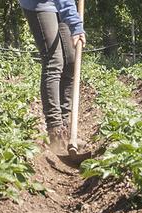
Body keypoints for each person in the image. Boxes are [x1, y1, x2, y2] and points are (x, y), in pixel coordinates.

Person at [19, 0, 86, 151]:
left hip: (60, 4)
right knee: (54, 60)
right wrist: (76, 26)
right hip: (40, 4)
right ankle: (55, 131)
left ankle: (66, 129)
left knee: (70, 60)